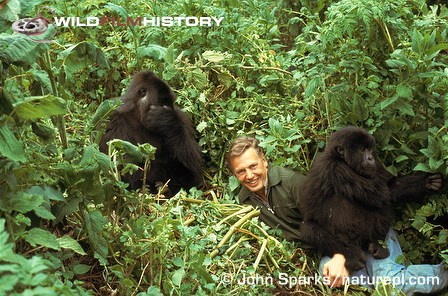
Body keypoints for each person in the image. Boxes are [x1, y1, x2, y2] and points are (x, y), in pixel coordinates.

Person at [225, 135, 448, 294]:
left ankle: (443, 273)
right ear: (234, 175)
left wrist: (342, 255)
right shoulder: (246, 199)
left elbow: (334, 219)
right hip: (341, 246)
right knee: (337, 279)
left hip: (367, 230)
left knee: (389, 285)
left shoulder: (294, 185)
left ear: (264, 160)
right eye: (241, 171)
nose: (249, 175)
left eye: (253, 166)